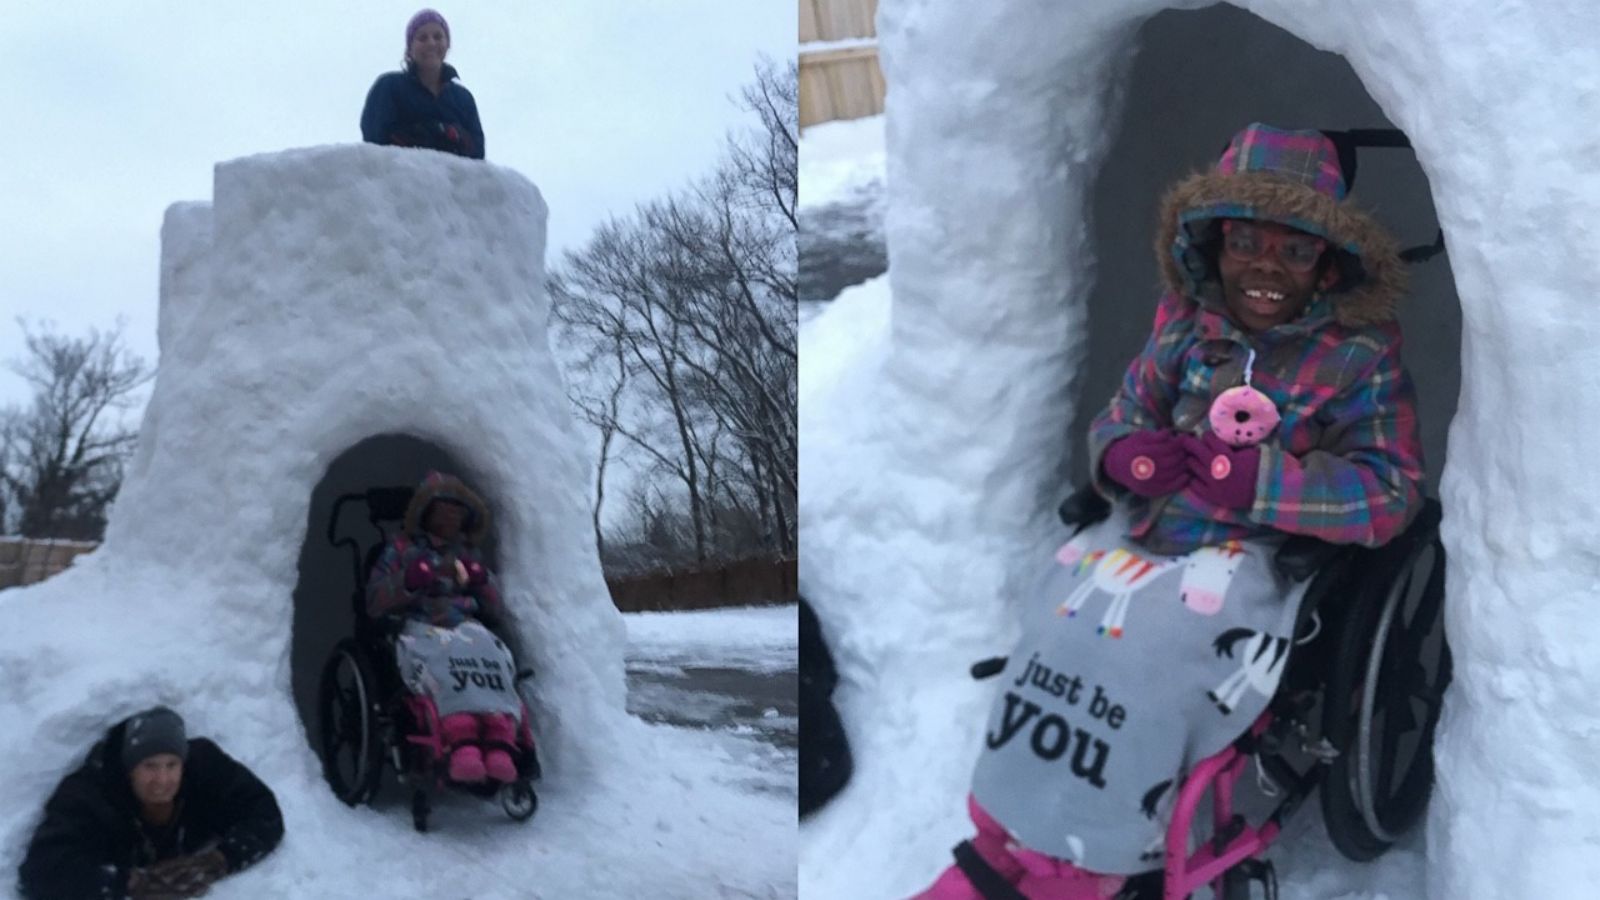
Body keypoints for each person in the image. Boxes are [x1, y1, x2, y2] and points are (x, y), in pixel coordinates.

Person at [914, 123, 1424, 898]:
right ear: (1215, 245)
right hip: (1152, 526)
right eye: (1248, 242)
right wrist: (1126, 457)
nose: (1266, 267)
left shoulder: (1360, 354)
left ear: (1329, 263)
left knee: (1145, 654)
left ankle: (1099, 858)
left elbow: (1389, 493)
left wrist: (1260, 482)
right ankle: (1011, 831)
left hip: (1258, 551)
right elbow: (1122, 417)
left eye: (1296, 249)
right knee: (1054, 622)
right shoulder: (1184, 327)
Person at [18, 706, 284, 900]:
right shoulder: (90, 796)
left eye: (172, 765)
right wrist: (131, 884)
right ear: (129, 769)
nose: (162, 780)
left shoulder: (204, 769)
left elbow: (264, 812)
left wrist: (218, 861)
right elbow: (43, 872)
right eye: (149, 766)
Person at [367, 470, 523, 786]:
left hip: (467, 626)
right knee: (444, 665)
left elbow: (495, 607)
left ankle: (499, 740)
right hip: (419, 626)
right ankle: (461, 739)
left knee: (490, 658)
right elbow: (374, 601)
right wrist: (407, 581)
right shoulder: (399, 549)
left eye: (458, 509)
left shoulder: (466, 554)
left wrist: (483, 582)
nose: (452, 515)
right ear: (426, 512)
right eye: (444, 508)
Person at [360, 9, 485, 159]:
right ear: (409, 49)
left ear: (447, 44)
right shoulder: (389, 87)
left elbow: (477, 153)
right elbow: (376, 140)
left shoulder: (463, 99)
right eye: (422, 38)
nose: (431, 43)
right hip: (401, 179)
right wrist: (430, 133)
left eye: (438, 36)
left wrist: (452, 134)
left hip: (452, 181)